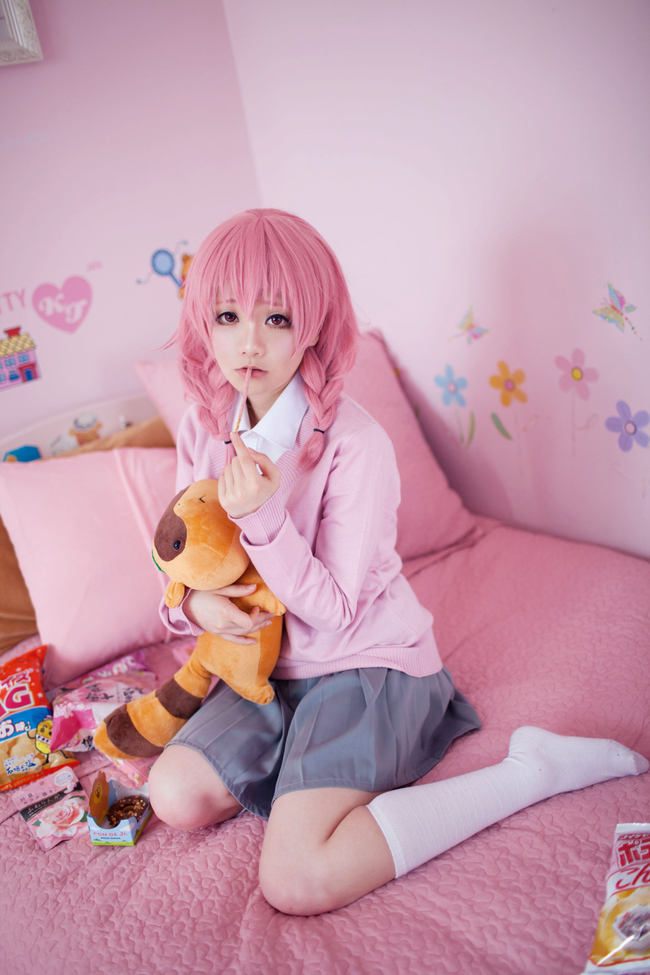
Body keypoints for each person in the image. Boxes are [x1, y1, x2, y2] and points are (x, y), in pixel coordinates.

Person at [148, 208, 648, 916]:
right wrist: (194, 605)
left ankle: (530, 771)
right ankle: (297, 761)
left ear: (313, 325)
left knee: (297, 881)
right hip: (262, 666)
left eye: (276, 318)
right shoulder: (204, 424)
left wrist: (262, 519)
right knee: (174, 795)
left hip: (362, 664)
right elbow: (179, 555)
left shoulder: (356, 443)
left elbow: (333, 611)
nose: (249, 342)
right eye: (228, 316)